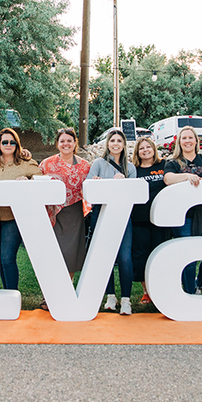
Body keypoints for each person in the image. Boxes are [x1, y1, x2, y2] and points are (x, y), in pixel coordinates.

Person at [163, 126, 202, 295]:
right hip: (184, 216)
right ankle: (189, 292)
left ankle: (198, 283)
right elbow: (168, 178)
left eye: (191, 138)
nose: (188, 141)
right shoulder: (173, 162)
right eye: (184, 138)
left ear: (196, 141)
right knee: (187, 256)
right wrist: (187, 176)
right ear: (179, 142)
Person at [0, 127, 42, 292]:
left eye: (12, 142)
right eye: (4, 142)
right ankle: (4, 294)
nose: (8, 144)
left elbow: (41, 179)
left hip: (13, 218)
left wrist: (28, 181)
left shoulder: (26, 162)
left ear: (17, 144)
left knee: (7, 258)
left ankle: (12, 293)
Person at [86, 128, 137, 315]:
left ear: (124, 145)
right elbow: (88, 187)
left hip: (122, 215)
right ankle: (110, 296)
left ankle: (126, 299)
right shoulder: (99, 163)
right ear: (108, 144)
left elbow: (134, 194)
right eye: (112, 140)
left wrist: (123, 182)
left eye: (119, 141)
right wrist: (95, 181)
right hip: (100, 213)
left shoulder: (130, 168)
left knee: (124, 258)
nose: (115, 144)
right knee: (104, 256)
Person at [38, 128, 91, 309]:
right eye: (62, 141)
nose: (66, 144)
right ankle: (48, 296)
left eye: (69, 140)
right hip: (51, 212)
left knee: (69, 253)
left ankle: (64, 293)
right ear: (57, 144)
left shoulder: (85, 165)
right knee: (51, 254)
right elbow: (35, 180)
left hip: (73, 212)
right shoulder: (47, 164)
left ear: (75, 143)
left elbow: (91, 186)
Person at [131, 136, 169, 304]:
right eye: (141, 148)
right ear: (137, 152)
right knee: (141, 256)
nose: (145, 150)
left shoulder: (164, 166)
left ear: (154, 149)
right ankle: (146, 291)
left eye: (148, 147)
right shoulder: (134, 170)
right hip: (140, 219)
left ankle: (162, 288)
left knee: (162, 253)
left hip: (162, 219)